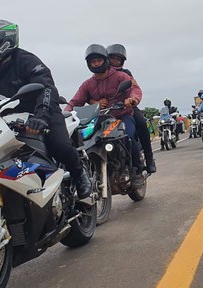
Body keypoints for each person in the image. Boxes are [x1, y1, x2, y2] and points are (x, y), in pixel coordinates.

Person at [0, 19, 92, 201]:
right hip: (3, 122)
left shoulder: (26, 61)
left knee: (60, 146)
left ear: (2, 44)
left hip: (40, 115)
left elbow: (46, 87)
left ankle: (80, 174)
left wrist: (40, 117)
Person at [65, 44, 144, 188]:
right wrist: (65, 114)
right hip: (101, 120)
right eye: (93, 61)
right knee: (85, 141)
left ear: (105, 60)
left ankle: (137, 171)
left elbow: (135, 89)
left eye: (99, 60)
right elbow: (75, 102)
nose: (96, 64)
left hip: (122, 116)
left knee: (128, 136)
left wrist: (133, 99)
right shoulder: (87, 84)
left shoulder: (120, 76)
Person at [106, 43, 156, 174]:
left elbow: (135, 88)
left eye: (118, 59)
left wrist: (132, 99)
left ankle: (149, 159)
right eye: (112, 58)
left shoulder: (126, 73)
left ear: (122, 61)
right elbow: (90, 95)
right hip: (107, 111)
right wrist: (95, 102)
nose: (115, 61)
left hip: (126, 107)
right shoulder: (101, 75)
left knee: (141, 123)